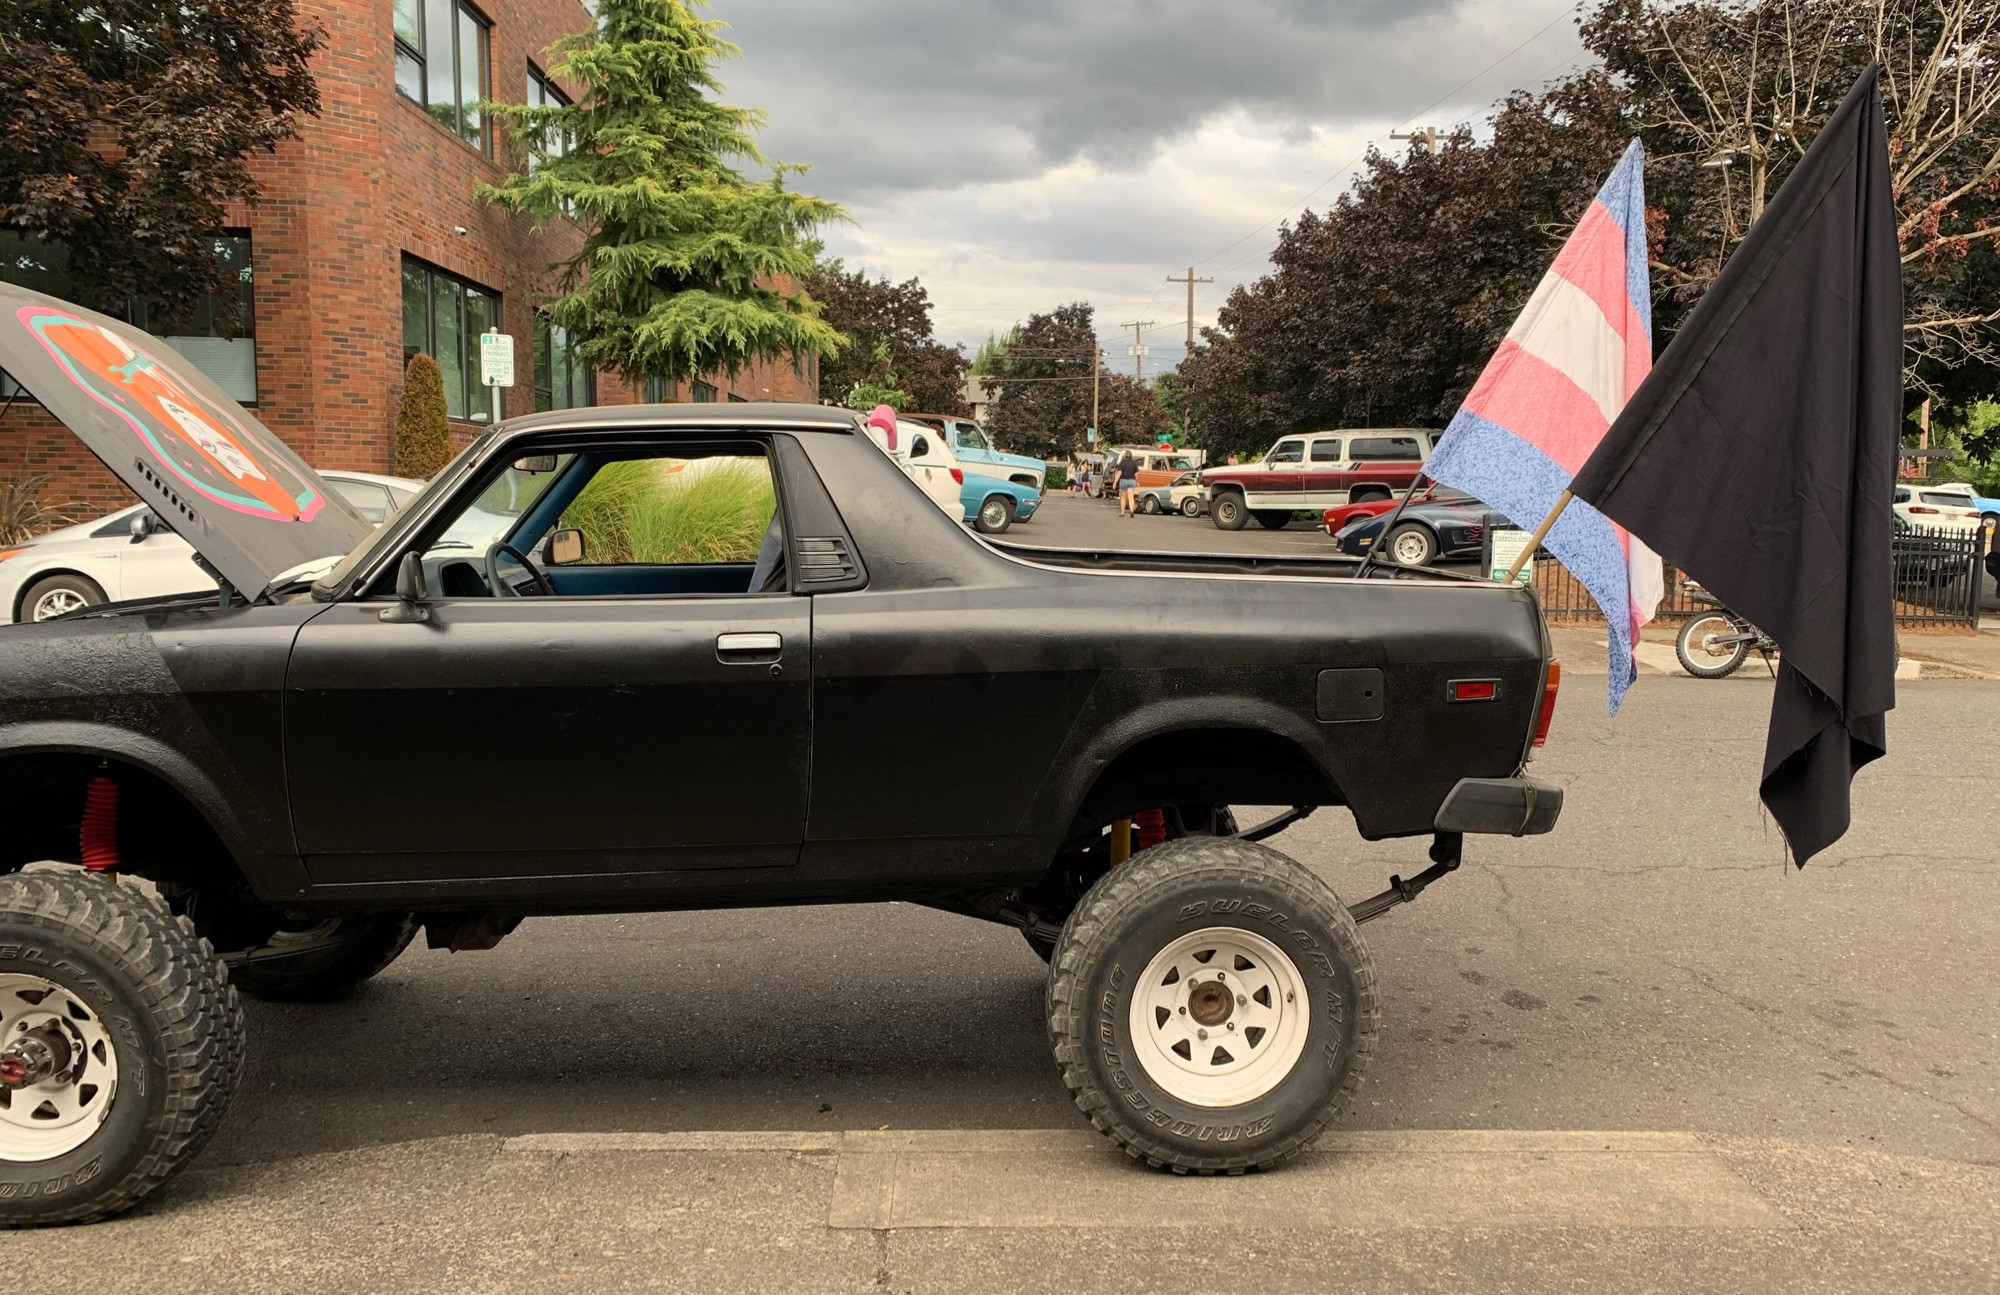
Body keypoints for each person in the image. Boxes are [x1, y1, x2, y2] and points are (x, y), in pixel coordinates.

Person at [1115, 449, 1140, 517]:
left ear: (1125, 456)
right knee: (1131, 497)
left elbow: (1119, 473)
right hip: (1132, 481)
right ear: (1131, 456)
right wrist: (1137, 482)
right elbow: (1136, 474)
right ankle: (1131, 510)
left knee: (1123, 498)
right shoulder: (1134, 463)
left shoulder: (1122, 463)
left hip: (1123, 480)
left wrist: (1115, 482)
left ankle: (1122, 513)